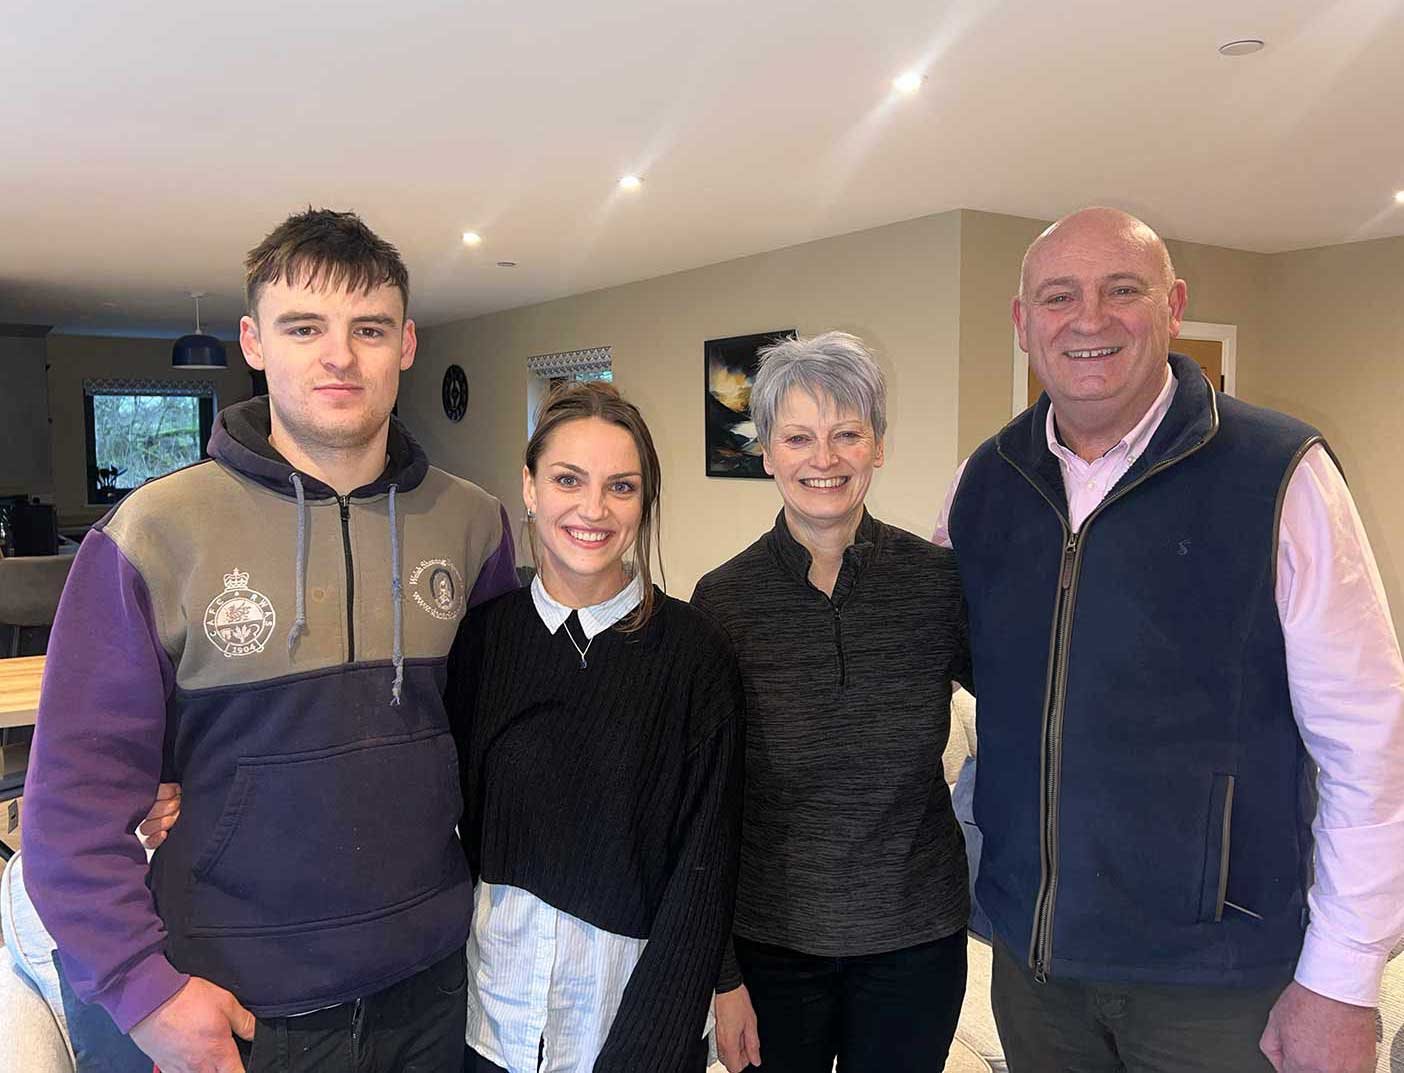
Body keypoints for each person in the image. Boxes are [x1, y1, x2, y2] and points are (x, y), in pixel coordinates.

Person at [22, 208, 518, 1073]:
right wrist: (146, 993)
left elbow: (504, 753)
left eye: (369, 329)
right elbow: (68, 813)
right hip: (231, 1002)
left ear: (406, 343)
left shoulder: (473, 525)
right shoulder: (151, 534)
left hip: (433, 986)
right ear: (253, 341)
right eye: (304, 327)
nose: (339, 355)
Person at [934, 207, 1404, 1073]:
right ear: (1022, 320)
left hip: (1218, 984)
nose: (1088, 319)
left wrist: (1343, 980)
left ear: (1173, 304)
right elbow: (934, 669)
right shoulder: (983, 485)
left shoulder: (1280, 474)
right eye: (1058, 296)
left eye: (1123, 290)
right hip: (1037, 974)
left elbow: (1370, 742)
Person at [692, 332, 972, 1073]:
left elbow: (1036, 708)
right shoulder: (724, 603)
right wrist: (722, 976)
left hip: (916, 941)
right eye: (799, 437)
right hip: (771, 948)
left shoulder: (938, 585)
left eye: (848, 433)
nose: (825, 458)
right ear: (767, 453)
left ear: (877, 446)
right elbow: (701, 804)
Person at [449, 381, 745, 1073]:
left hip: (630, 1025)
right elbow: (451, 826)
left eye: (621, 486)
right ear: (528, 487)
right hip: (491, 1022)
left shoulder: (697, 657)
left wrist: (652, 1045)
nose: (593, 508)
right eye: (567, 479)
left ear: (645, 502)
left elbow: (704, 874)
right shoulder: (485, 641)